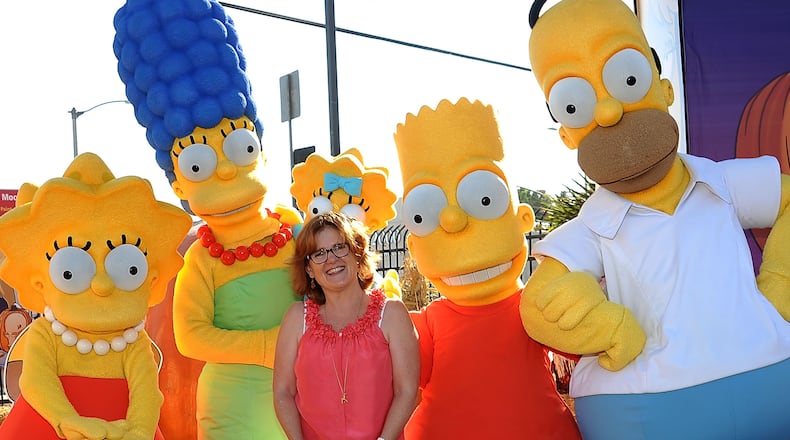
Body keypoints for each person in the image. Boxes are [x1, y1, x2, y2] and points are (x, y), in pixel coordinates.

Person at [520, 0, 790, 438]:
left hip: (767, 374)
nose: (608, 111)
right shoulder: (592, 227)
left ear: (664, 89)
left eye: (627, 79)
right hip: (653, 404)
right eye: (574, 104)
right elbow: (540, 303)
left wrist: (780, 283)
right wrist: (606, 328)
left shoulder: (721, 184)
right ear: (566, 133)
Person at [273, 211, 419, 440]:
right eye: (319, 253)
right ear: (309, 269)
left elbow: (407, 391)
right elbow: (283, 392)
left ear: (357, 254)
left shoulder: (392, 314)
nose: (331, 259)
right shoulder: (295, 319)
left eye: (339, 247)